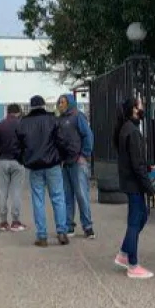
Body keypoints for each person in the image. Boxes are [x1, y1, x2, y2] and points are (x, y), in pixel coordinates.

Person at [17, 95, 69, 247]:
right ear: (44, 105)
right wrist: (62, 157)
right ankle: (62, 232)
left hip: (35, 166)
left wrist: (24, 160)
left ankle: (42, 236)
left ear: (31, 106)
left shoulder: (23, 123)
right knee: (58, 197)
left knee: (38, 200)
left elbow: (19, 146)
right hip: (53, 164)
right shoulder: (53, 120)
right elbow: (62, 141)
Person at [114, 97, 155, 279]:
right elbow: (136, 163)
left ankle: (125, 253)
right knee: (135, 220)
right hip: (134, 183)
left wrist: (146, 167)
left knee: (140, 217)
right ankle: (132, 263)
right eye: (140, 105)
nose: (143, 107)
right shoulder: (132, 131)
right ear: (133, 109)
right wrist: (148, 186)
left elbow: (135, 160)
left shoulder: (127, 129)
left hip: (130, 181)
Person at [56, 93, 95, 239]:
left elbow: (88, 136)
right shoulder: (59, 120)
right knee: (67, 196)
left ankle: (88, 226)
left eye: (63, 102)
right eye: (59, 102)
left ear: (69, 103)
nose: (60, 105)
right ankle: (69, 226)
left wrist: (84, 155)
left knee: (81, 195)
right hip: (65, 163)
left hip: (78, 162)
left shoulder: (78, 117)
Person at [0, 104, 26, 232]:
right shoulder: (22, 125)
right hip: (18, 161)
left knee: (3, 192)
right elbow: (26, 143)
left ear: (7, 112)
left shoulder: (0, 125)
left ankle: (3, 222)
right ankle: (15, 221)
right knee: (16, 192)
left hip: (3, 160)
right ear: (18, 112)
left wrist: (2, 147)